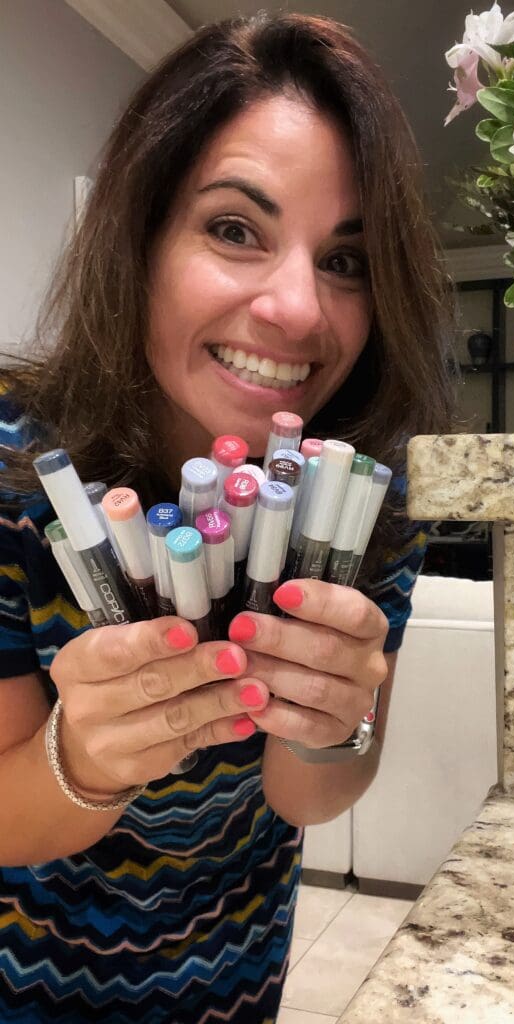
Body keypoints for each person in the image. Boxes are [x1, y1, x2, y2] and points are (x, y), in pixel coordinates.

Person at [0, 13, 453, 1023]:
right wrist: (80, 761)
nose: (299, 309)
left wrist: (336, 716)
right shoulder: (13, 468)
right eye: (236, 229)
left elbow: (312, 795)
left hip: (234, 975)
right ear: (141, 237)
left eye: (346, 260)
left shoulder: (368, 491)